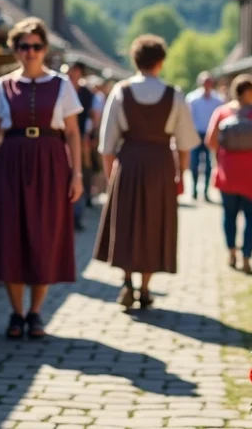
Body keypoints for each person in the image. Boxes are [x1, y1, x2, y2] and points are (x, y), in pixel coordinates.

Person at [0, 18, 85, 340]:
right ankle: (16, 311)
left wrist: (76, 174)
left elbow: (74, 132)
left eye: (36, 46)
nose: (31, 52)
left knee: (44, 236)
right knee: (11, 236)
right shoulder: (3, 85)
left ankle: (36, 312)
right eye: (24, 46)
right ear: (15, 49)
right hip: (10, 162)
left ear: (45, 49)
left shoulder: (61, 85)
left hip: (51, 163)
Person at [94, 35, 201, 309]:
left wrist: (110, 179)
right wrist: (181, 175)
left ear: (135, 60)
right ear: (161, 62)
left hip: (128, 163)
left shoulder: (121, 91)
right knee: (155, 225)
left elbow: (107, 145)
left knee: (127, 222)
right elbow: (185, 143)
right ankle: (145, 287)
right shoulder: (174, 94)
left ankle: (127, 281)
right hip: (161, 165)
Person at [206, 75, 252, 274]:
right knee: (251, 216)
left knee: (229, 215)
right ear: (248, 92)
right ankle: (246, 257)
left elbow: (210, 140)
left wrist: (223, 156)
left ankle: (231, 252)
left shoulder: (221, 112)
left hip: (228, 170)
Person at [185, 72, 224, 202]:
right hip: (196, 134)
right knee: (194, 163)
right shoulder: (192, 98)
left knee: (208, 164)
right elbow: (188, 118)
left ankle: (206, 191)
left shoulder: (218, 100)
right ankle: (195, 189)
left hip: (210, 135)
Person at [67, 61, 94, 230]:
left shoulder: (86, 93)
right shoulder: (61, 88)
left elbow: (91, 117)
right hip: (61, 139)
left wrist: (87, 137)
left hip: (80, 140)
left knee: (80, 174)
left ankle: (77, 215)